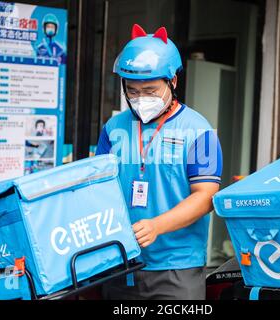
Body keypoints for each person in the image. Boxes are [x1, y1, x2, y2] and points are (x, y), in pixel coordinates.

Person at [96, 24, 223, 300]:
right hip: (120, 265)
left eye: (151, 90)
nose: (141, 98)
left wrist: (157, 226)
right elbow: (98, 189)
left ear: (173, 82)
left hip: (177, 268)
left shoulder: (198, 131)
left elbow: (205, 197)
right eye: (132, 90)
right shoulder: (113, 127)